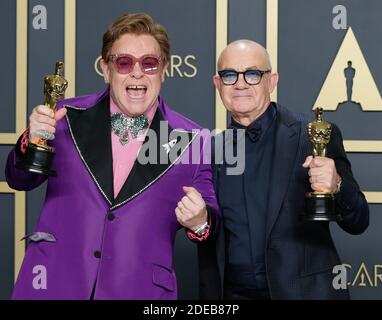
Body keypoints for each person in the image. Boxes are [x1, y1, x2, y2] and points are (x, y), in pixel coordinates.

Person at [5, 13, 220, 300]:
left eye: (149, 63)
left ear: (164, 69)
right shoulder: (65, 118)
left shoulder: (194, 139)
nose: (137, 73)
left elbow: (210, 221)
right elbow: (19, 180)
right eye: (124, 62)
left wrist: (200, 220)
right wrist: (32, 140)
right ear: (106, 69)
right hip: (54, 284)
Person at [197, 39, 369, 300]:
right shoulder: (207, 149)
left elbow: (359, 221)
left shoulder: (313, 136)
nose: (241, 83)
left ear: (272, 81)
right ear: (217, 84)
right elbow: (208, 230)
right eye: (230, 75)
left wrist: (337, 186)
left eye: (253, 74)